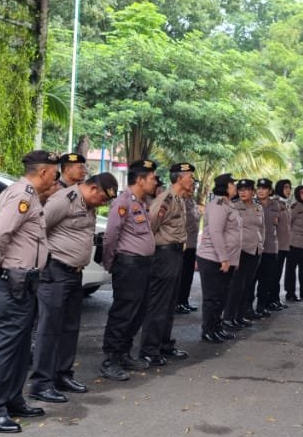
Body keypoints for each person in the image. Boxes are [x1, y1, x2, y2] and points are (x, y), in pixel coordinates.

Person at [0, 149, 59, 434]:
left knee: (21, 345)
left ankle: (11, 399)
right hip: (14, 279)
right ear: (44, 171)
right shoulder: (22, 195)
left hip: (23, 278)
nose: (56, 178)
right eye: (54, 173)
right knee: (9, 345)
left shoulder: (25, 194)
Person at [27, 171, 117, 403]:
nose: (103, 204)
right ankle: (41, 383)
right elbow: (36, 231)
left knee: (69, 328)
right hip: (55, 271)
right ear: (93, 189)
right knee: (49, 330)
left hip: (75, 274)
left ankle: (62, 375)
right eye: (103, 199)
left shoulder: (89, 205)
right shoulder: (63, 200)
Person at [100, 160, 159, 380]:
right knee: (123, 312)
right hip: (128, 266)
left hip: (143, 266)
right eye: (152, 178)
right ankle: (110, 359)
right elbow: (111, 236)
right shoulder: (123, 202)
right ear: (140, 180)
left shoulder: (141, 203)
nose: (155, 182)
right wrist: (111, 263)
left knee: (138, 312)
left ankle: (124, 353)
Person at [136, 161, 196, 366]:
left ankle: (164, 344)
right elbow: (150, 226)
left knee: (170, 303)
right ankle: (149, 349)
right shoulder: (166, 199)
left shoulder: (180, 199)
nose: (193, 180)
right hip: (164, 255)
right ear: (180, 178)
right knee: (158, 304)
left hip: (176, 254)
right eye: (190, 177)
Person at [197, 173, 239, 343]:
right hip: (213, 259)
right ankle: (208, 330)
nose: (235, 187)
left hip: (224, 259)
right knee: (212, 297)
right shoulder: (218, 204)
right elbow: (215, 232)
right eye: (233, 184)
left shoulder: (229, 205)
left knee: (221, 296)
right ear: (226, 186)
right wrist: (224, 258)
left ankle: (216, 327)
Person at [224, 178, 264, 327]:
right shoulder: (233, 207)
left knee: (247, 285)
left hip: (255, 251)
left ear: (253, 192)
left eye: (246, 189)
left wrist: (261, 245)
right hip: (240, 251)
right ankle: (228, 317)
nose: (243, 192)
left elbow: (262, 229)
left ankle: (240, 316)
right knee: (236, 286)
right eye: (240, 189)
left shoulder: (258, 208)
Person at [255, 178, 283, 313]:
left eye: (264, 188)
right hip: (255, 248)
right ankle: (247, 308)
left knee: (266, 280)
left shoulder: (275, 205)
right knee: (251, 280)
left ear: (270, 191)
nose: (260, 190)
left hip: (271, 248)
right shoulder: (252, 204)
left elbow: (277, 224)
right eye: (259, 188)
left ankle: (261, 306)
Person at [175, 186, 201, 314]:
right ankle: (178, 303)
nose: (192, 190)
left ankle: (184, 301)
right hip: (183, 245)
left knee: (188, 276)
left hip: (192, 244)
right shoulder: (179, 201)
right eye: (190, 187)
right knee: (181, 276)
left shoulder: (192, 201)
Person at [271, 179, 292, 309]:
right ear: (279, 189)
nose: (288, 190)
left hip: (284, 246)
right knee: (273, 275)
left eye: (289, 188)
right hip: (276, 246)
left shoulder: (286, 204)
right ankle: (270, 299)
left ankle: (275, 298)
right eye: (285, 188)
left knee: (277, 274)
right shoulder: (276, 204)